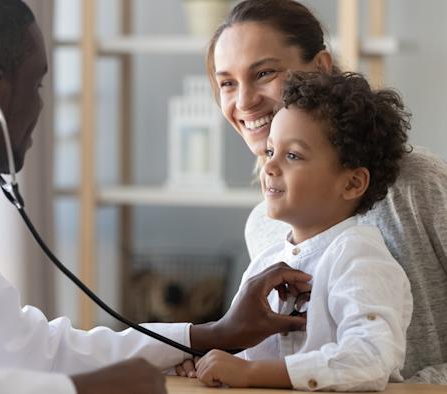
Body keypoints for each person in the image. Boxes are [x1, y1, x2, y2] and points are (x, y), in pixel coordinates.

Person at [0, 1, 313, 393]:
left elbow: (36, 347)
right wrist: (80, 390)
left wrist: (210, 333)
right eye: (37, 86)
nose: (42, 107)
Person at [177, 0, 447, 384]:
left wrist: (415, 387)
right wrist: (211, 357)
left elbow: (363, 358)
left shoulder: (420, 184)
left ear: (320, 67)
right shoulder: (268, 226)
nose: (244, 100)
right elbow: (287, 356)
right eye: (227, 83)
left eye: (265, 72)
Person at [195, 70, 413, 391]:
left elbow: (369, 358)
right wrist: (208, 361)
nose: (269, 166)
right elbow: (241, 355)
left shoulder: (360, 259)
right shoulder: (264, 265)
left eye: (292, 155)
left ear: (352, 183)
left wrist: (249, 373)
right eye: (270, 151)